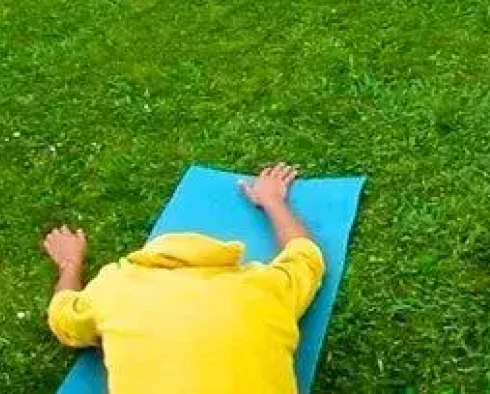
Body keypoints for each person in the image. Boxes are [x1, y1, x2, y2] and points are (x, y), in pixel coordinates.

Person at [42, 163, 325, 394]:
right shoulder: (261, 287)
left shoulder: (114, 289)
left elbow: (62, 316)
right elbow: (306, 255)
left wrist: (70, 265)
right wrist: (273, 201)